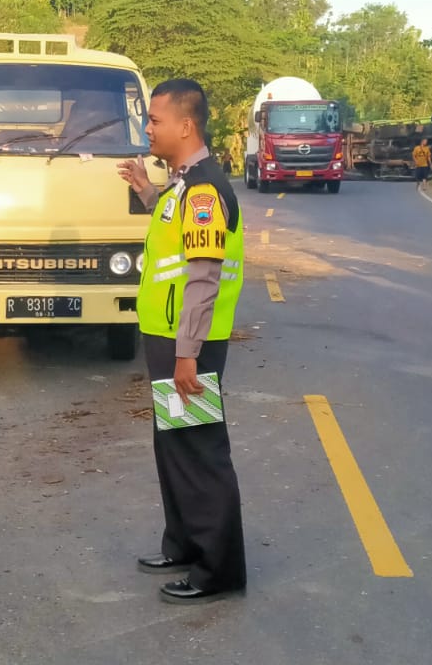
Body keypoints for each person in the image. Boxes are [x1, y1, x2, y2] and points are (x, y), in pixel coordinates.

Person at [116, 79, 247, 605]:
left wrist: (188, 353)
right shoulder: (181, 185)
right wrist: (145, 190)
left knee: (199, 451)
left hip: (188, 343)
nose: (148, 128)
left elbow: (203, 276)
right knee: (173, 444)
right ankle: (184, 544)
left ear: (185, 126)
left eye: (155, 120)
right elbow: (174, 234)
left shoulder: (205, 191)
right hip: (168, 337)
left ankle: (218, 568)